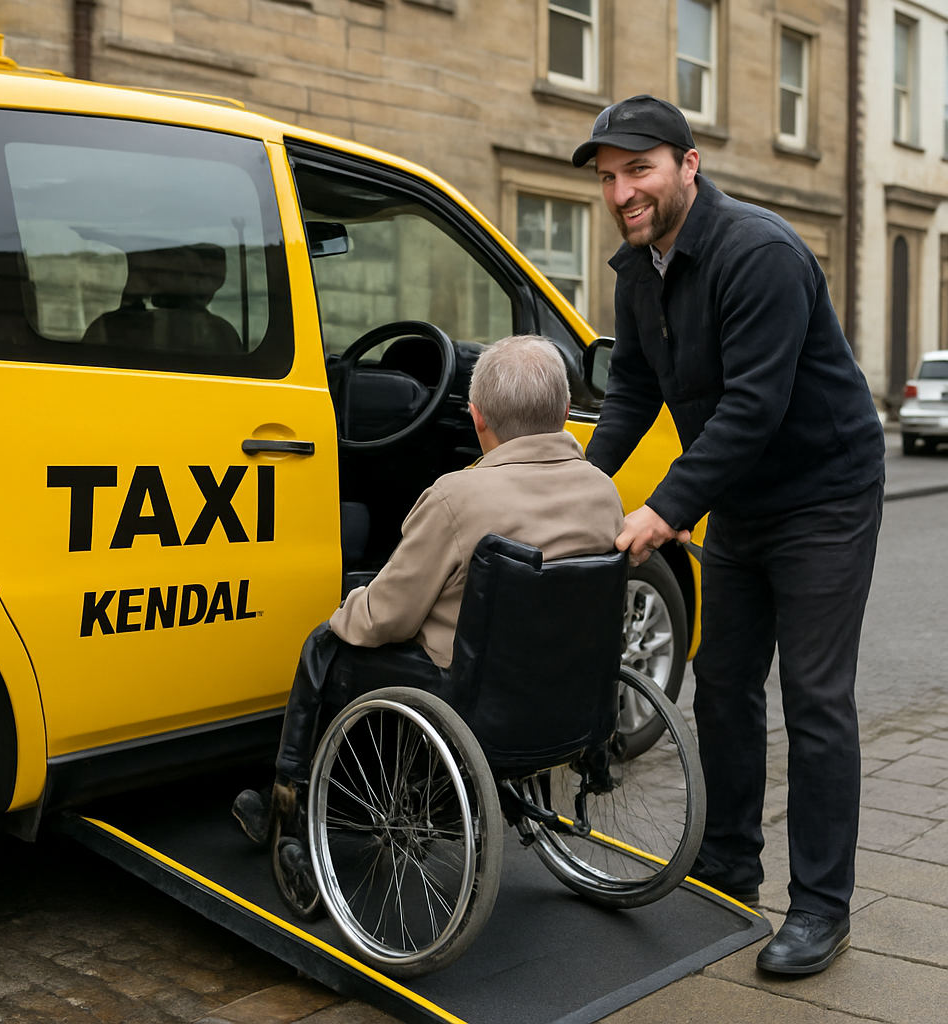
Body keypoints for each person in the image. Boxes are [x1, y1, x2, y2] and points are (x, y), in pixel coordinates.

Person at [572, 95, 885, 975]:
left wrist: (663, 509)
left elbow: (754, 405)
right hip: (741, 501)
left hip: (824, 494)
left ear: (687, 164)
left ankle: (822, 907)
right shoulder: (639, 266)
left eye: (639, 169)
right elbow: (634, 388)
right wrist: (584, 488)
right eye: (608, 177)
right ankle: (729, 868)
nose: (623, 190)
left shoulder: (762, 253)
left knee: (817, 701)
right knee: (725, 685)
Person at [233, 334, 624, 918]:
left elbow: (388, 615)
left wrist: (350, 606)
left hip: (472, 700)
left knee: (329, 645)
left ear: (476, 417)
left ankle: (287, 812)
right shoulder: (602, 491)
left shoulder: (459, 497)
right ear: (565, 413)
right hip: (567, 697)